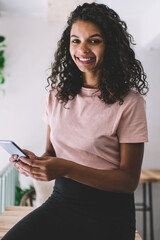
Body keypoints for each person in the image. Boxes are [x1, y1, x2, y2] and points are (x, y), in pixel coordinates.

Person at [3, 2, 149, 240]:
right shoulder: (57, 96)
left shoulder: (130, 103)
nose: (83, 49)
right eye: (75, 40)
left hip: (109, 215)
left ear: (110, 45)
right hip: (62, 203)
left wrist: (67, 168)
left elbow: (128, 180)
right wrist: (36, 163)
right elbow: (51, 152)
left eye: (94, 40)